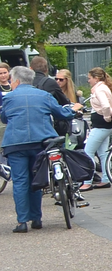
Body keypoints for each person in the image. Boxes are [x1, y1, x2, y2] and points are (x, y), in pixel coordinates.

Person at [2, 67, 82, 232]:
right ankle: (37, 219)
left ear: (15, 80)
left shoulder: (8, 98)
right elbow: (61, 113)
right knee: (36, 179)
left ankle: (22, 222)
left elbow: (4, 117)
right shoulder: (44, 96)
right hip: (41, 142)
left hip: (16, 143)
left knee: (20, 182)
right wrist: (73, 109)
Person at [83, 67, 112, 188]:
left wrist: (107, 117)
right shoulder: (103, 88)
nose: (88, 81)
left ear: (96, 78)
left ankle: (87, 182)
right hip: (105, 126)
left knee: (88, 152)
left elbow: (105, 106)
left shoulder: (99, 90)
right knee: (103, 153)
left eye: (89, 78)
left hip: (101, 125)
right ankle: (106, 178)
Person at [30, 57, 70, 136]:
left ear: (30, 68)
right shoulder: (50, 82)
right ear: (46, 70)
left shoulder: (26, 81)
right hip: (45, 123)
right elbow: (64, 102)